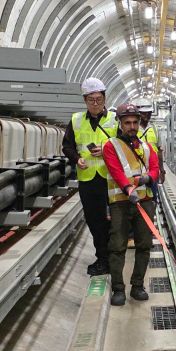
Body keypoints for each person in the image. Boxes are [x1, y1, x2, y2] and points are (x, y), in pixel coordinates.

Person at [102, 102, 159, 306]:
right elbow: (116, 171)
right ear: (120, 123)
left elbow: (154, 168)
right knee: (117, 246)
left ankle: (137, 286)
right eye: (127, 123)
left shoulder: (147, 147)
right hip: (120, 203)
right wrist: (128, 189)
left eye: (135, 122)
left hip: (144, 203)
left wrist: (148, 179)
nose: (132, 126)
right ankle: (118, 289)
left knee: (144, 245)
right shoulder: (111, 146)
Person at [62, 77, 117, 276]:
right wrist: (76, 159)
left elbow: (124, 144)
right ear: (85, 100)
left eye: (99, 100)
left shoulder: (114, 119)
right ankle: (102, 257)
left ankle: (112, 257)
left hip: (110, 178)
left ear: (105, 99)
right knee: (94, 220)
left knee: (114, 219)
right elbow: (67, 146)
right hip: (87, 178)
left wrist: (106, 149)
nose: (95, 104)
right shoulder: (76, 120)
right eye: (91, 100)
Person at [136, 98, 164, 195]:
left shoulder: (154, 128)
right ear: (138, 113)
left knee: (153, 197)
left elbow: (159, 151)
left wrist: (162, 171)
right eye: (144, 113)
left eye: (149, 112)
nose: (147, 115)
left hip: (153, 169)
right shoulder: (133, 128)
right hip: (138, 170)